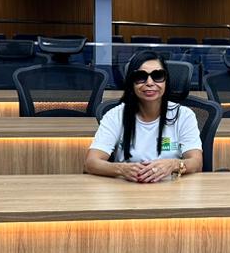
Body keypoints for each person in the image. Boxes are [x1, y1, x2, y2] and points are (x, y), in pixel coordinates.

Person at [85, 51, 202, 182]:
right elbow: (91, 162)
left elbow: (196, 162)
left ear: (166, 80)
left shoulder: (184, 115)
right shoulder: (115, 116)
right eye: (141, 77)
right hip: (127, 188)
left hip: (173, 188)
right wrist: (121, 169)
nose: (150, 82)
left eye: (157, 76)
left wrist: (174, 165)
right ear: (131, 82)